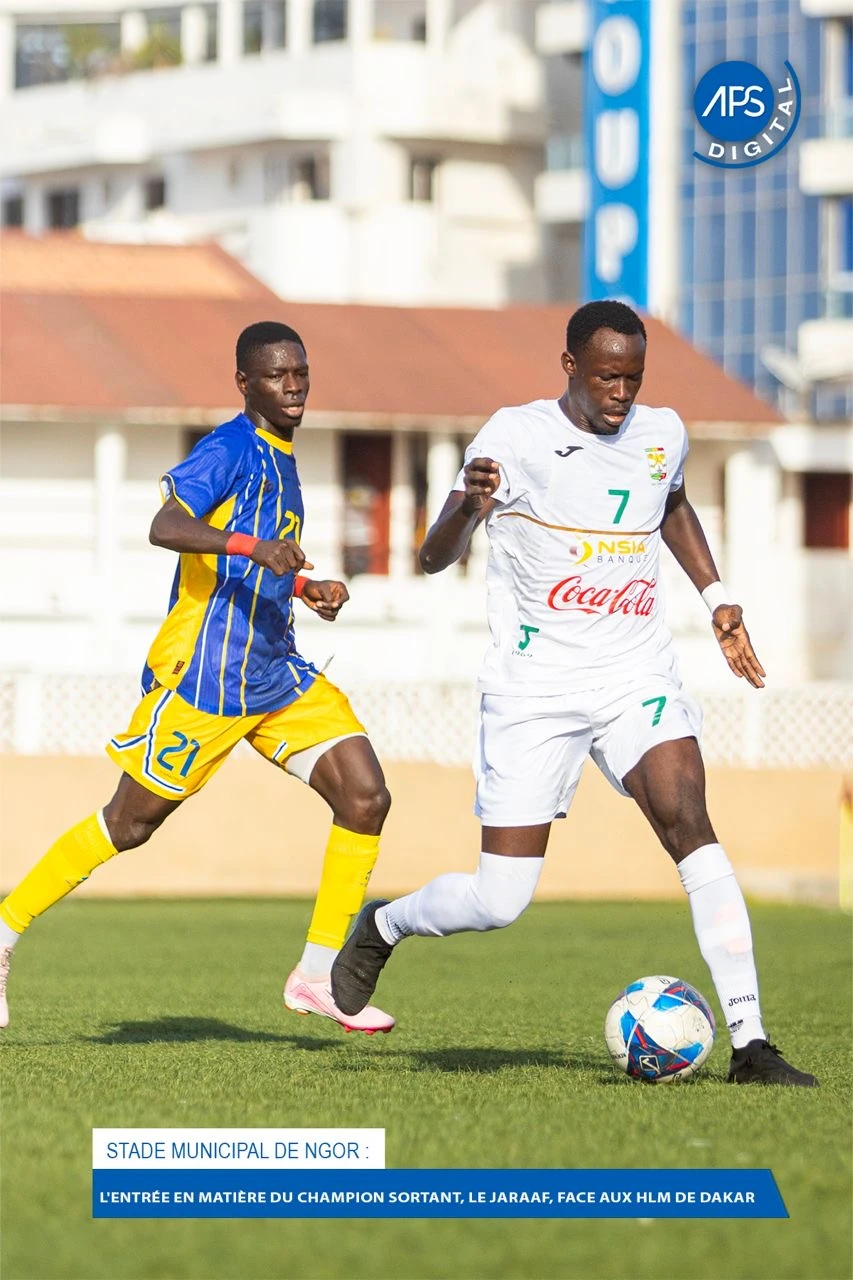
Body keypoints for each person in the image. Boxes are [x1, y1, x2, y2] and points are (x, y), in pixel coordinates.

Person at [331, 300, 818, 1085]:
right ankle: (385, 926)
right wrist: (470, 507)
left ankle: (751, 1043)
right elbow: (431, 554)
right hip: (535, 688)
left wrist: (717, 597)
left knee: (687, 816)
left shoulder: (662, 433)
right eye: (605, 378)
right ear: (569, 368)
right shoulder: (512, 438)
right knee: (499, 900)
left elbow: (671, 504)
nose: (620, 393)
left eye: (632, 377)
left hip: (635, 673)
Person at [0, 321, 395, 1036]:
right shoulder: (231, 447)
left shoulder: (283, 455)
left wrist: (304, 586)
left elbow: (254, 562)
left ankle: (316, 975)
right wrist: (257, 547)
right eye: (278, 376)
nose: (295, 385)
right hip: (205, 680)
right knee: (128, 825)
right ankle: (4, 930)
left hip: (274, 674)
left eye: (301, 372)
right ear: (245, 384)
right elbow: (166, 525)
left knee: (365, 797)